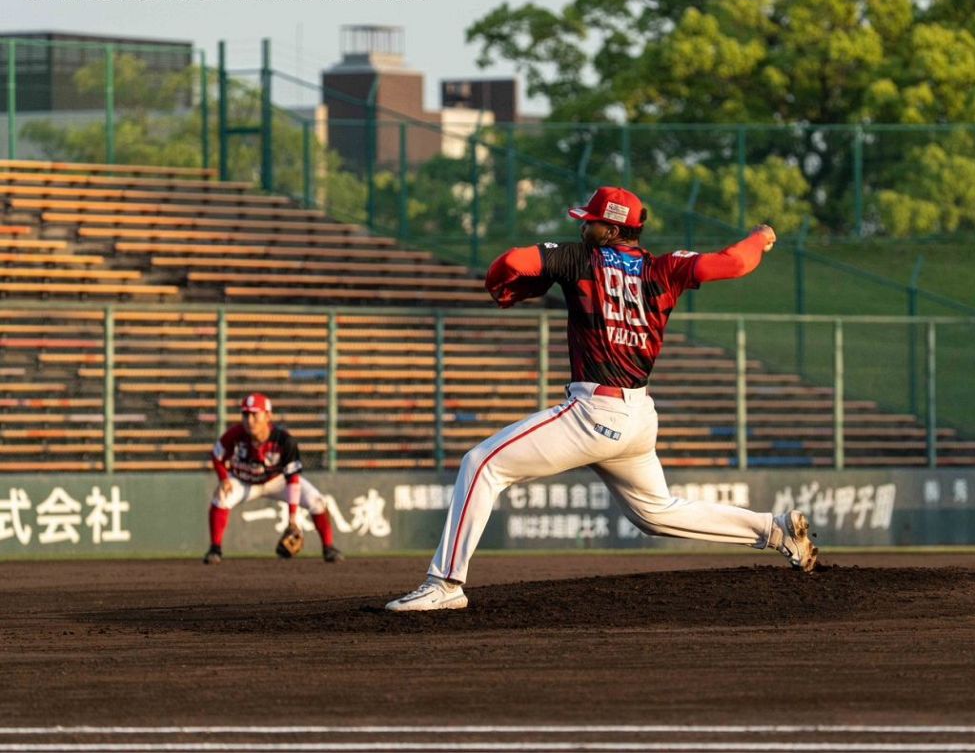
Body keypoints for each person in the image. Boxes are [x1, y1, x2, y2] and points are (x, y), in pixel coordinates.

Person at [385, 186, 816, 612]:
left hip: (594, 413)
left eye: (590, 221)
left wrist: (504, 289)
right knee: (655, 513)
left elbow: (512, 262)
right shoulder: (663, 268)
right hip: (639, 415)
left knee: (481, 464)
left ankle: (445, 582)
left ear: (609, 229)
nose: (584, 225)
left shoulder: (581, 258)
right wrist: (760, 236)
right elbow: (736, 262)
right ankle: (775, 530)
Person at [202, 392, 344, 564]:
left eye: (255, 414)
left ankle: (328, 548)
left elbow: (292, 480)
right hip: (244, 480)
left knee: (317, 501)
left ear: (268, 416)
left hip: (277, 480)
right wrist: (223, 478)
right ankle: (215, 549)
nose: (249, 420)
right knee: (221, 497)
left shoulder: (284, 440)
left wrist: (292, 518)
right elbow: (217, 457)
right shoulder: (234, 434)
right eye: (245, 414)